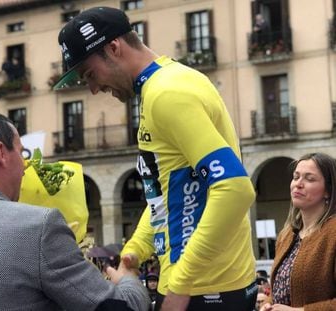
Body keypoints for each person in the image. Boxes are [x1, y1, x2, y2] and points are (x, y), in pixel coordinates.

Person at [55, 6, 257, 311]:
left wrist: (181, 284)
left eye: (90, 74)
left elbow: (235, 189)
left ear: (114, 47)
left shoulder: (166, 94)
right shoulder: (168, 83)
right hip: (206, 286)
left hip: (203, 291)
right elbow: (167, 192)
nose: (94, 89)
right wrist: (135, 250)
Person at [0, 107, 150, 311]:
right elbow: (120, 308)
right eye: (21, 154)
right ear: (1, 153)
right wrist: (128, 280)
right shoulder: (37, 227)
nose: (25, 168)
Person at [261, 153, 336, 311]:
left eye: (309, 179)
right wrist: (267, 303)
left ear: (328, 191)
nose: (298, 184)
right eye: (296, 177)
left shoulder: (333, 233)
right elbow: (281, 287)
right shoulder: (287, 234)